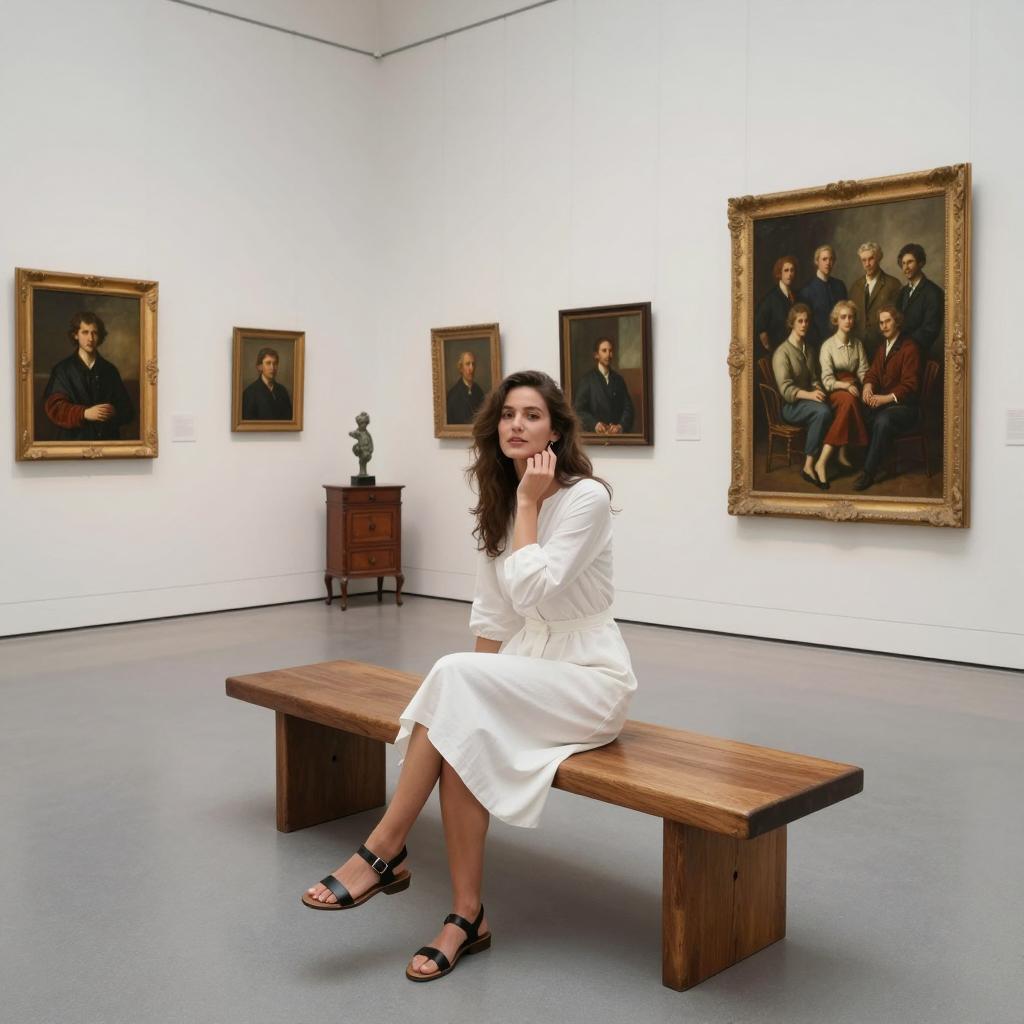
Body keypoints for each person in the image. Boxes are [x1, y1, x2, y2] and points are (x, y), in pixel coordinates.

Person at [302, 369, 637, 983]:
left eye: (532, 415)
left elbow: (534, 588)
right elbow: (495, 614)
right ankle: (466, 916)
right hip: (529, 668)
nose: (517, 425)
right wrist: (468, 695)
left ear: (556, 431)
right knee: (459, 731)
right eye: (508, 414)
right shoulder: (499, 501)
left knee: (457, 683)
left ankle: (384, 848)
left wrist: (530, 503)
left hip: (590, 679)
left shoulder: (584, 498)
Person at [854, 305, 921, 492]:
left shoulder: (909, 348)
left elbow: (910, 385)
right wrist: (868, 386)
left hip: (907, 407)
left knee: (882, 420)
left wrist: (884, 399)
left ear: (897, 321)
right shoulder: (883, 347)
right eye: (881, 323)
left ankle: (869, 472)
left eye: (888, 321)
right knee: (860, 409)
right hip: (887, 403)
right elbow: (873, 373)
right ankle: (870, 459)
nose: (883, 326)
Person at [42, 311, 134, 441]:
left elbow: (127, 410)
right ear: (75, 335)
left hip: (106, 442)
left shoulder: (110, 370)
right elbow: (54, 407)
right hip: (74, 441)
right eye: (85, 332)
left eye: (94, 333)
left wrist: (114, 411)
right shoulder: (62, 370)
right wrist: (84, 413)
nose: (90, 338)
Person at [770, 303, 834, 490]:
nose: (804, 324)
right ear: (791, 323)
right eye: (800, 321)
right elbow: (786, 390)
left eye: (806, 321)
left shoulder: (809, 350)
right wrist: (811, 395)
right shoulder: (782, 353)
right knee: (822, 412)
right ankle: (808, 466)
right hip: (790, 407)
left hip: (808, 401)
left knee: (834, 405)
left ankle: (827, 460)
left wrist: (818, 389)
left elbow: (813, 378)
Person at [815, 301, 870, 483]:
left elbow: (863, 371)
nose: (848, 321)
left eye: (851, 317)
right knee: (849, 401)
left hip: (854, 388)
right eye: (843, 317)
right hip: (835, 390)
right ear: (836, 320)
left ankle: (841, 453)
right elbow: (827, 380)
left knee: (852, 400)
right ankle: (822, 461)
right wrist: (845, 386)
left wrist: (867, 386)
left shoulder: (857, 344)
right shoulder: (827, 346)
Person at [847, 242, 902, 358]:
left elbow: (898, 320)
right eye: (863, 260)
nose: (867, 264)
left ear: (878, 258)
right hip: (858, 348)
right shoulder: (855, 286)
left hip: (883, 346)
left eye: (871, 259)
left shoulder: (893, 284)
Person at [572, 337, 634, 434]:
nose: (608, 354)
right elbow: (578, 410)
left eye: (610, 351)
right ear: (596, 355)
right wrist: (594, 424)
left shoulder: (619, 380)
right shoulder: (587, 380)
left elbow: (628, 409)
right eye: (604, 351)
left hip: (616, 436)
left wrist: (620, 426)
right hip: (596, 437)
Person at [896, 243, 945, 360]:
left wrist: (905, 346)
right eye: (903, 263)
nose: (906, 267)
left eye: (910, 262)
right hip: (899, 352)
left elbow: (930, 330)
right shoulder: (903, 291)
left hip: (919, 354)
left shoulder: (933, 292)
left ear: (920, 263)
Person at [797, 244, 847, 345]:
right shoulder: (807, 291)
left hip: (840, 340)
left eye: (831, 259)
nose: (828, 263)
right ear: (817, 262)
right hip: (818, 343)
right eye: (824, 259)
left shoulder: (840, 286)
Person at [755, 255, 798, 351]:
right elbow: (761, 328)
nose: (790, 274)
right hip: (777, 350)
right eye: (786, 270)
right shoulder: (770, 299)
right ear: (779, 273)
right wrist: (770, 349)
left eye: (792, 270)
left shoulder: (796, 296)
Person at [241, 347, 292, 420]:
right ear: (260, 367)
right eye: (268, 363)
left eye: (275, 363)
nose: (272, 368)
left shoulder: (283, 391)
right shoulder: (249, 393)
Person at [445, 351, 486, 424]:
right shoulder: (453, 394)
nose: (471, 368)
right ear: (461, 368)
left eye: (473, 364)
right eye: (468, 364)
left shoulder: (479, 391)